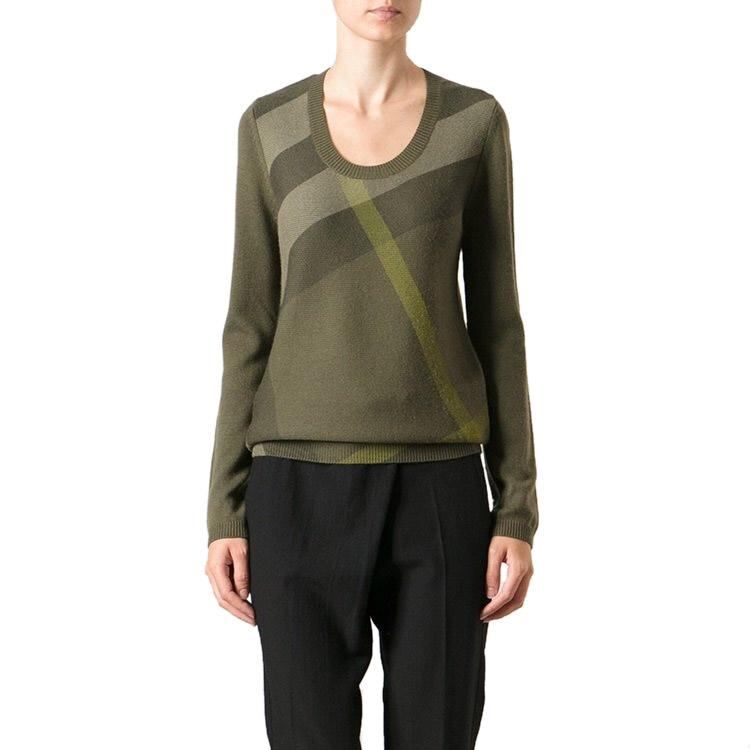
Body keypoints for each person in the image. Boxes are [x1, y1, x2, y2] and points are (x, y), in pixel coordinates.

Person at [205, 1, 539, 747]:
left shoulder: (474, 123)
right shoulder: (270, 127)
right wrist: (225, 509)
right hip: (294, 488)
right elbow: (248, 324)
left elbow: (499, 325)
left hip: (440, 489)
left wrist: (515, 508)